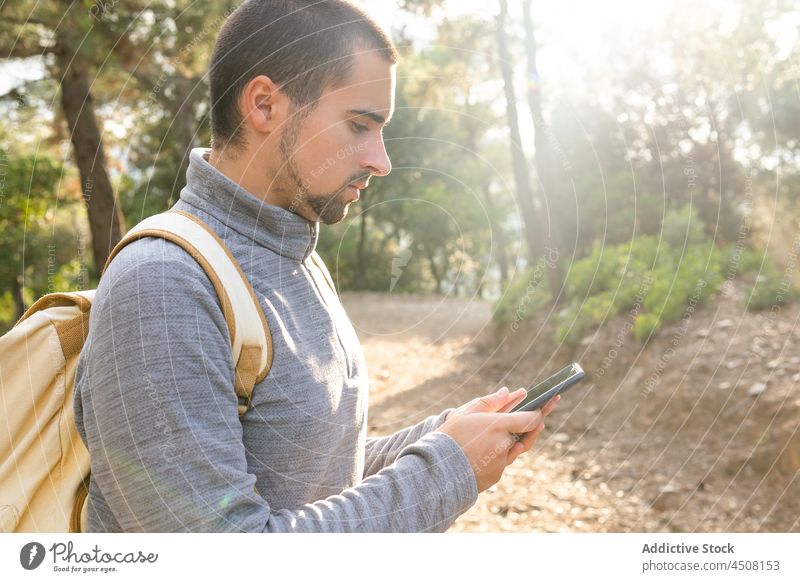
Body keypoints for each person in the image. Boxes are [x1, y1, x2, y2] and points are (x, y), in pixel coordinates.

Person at [74, 0, 557, 533]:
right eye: (359, 125)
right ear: (263, 106)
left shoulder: (298, 256)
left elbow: (309, 476)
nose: (382, 159)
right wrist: (446, 471)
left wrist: (446, 438)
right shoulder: (162, 285)